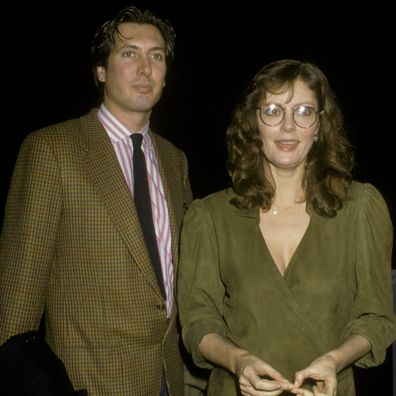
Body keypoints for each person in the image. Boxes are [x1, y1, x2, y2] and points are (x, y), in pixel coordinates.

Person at [0, 5, 194, 395]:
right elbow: (15, 310)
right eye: (129, 53)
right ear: (101, 70)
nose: (145, 68)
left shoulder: (175, 161)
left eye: (156, 56)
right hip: (88, 382)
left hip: (170, 379)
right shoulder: (52, 150)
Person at [177, 59, 396, 395]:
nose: (288, 126)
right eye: (273, 110)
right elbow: (197, 323)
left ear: (320, 124)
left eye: (304, 111)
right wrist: (238, 361)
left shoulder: (360, 208)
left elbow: (376, 318)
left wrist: (334, 361)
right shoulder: (210, 216)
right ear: (253, 121)